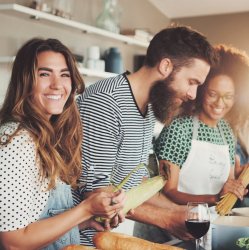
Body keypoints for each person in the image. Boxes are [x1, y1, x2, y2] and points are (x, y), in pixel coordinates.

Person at [72, 25, 218, 247]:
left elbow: (135, 187)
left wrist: (186, 212)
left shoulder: (148, 109)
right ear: (166, 66)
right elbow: (96, 195)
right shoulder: (106, 102)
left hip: (111, 239)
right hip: (79, 242)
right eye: (192, 82)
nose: (192, 94)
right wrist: (167, 219)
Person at [0, 38, 125, 250]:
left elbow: (34, 221)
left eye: (64, 75)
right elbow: (14, 242)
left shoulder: (47, 136)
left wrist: (84, 220)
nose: (58, 85)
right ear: (25, 81)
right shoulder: (15, 140)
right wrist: (85, 209)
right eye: (45, 74)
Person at [155, 44, 249, 206]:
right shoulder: (179, 128)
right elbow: (168, 191)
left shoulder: (226, 132)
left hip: (212, 223)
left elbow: (227, 185)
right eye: (213, 94)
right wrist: (214, 199)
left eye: (228, 96)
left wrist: (239, 179)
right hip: (174, 223)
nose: (220, 103)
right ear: (201, 91)